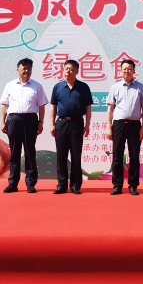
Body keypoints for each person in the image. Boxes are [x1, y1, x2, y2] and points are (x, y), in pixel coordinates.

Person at [0, 58, 48, 194]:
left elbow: (41, 106)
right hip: (13, 119)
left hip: (30, 120)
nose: (26, 70)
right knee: (14, 153)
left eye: (29, 68)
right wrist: (2, 121)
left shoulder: (37, 86)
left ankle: (30, 183)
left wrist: (41, 122)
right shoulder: (10, 85)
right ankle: (13, 183)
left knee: (29, 152)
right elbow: (4, 105)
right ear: (18, 70)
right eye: (24, 68)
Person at [105, 59, 143, 195]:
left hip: (135, 125)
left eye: (130, 68)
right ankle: (117, 185)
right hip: (118, 125)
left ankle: (133, 185)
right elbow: (110, 109)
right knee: (117, 156)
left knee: (134, 156)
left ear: (134, 71)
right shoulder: (115, 87)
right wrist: (109, 127)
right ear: (120, 71)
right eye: (124, 68)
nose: (127, 71)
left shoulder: (140, 87)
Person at [49, 60, 92, 195]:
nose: (68, 71)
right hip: (61, 123)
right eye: (66, 68)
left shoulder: (83, 87)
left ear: (77, 71)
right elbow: (53, 107)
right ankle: (61, 185)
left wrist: (87, 125)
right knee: (61, 156)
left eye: (71, 69)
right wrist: (52, 124)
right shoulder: (58, 87)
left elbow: (88, 107)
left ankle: (75, 185)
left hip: (77, 124)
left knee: (76, 155)